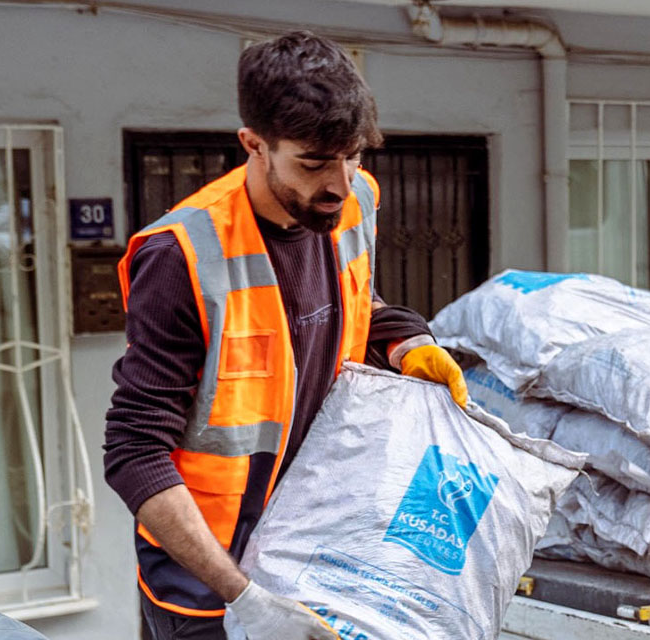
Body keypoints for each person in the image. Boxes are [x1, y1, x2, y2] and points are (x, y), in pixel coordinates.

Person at [103, 31, 468, 640]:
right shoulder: (182, 255)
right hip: (210, 590)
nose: (340, 182)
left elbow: (354, 304)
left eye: (351, 156)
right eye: (314, 162)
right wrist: (244, 597)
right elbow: (134, 452)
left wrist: (407, 342)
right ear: (254, 145)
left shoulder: (353, 202)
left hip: (316, 558)